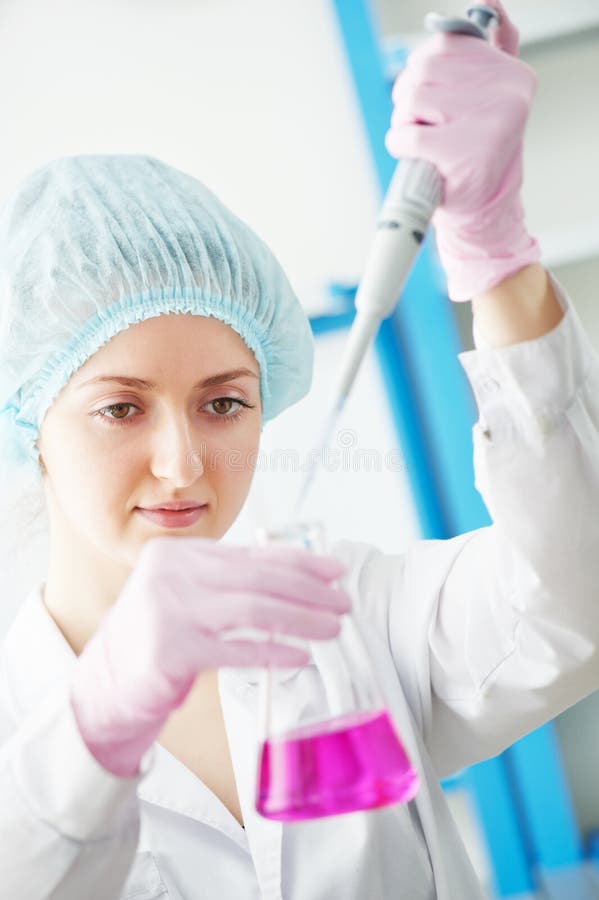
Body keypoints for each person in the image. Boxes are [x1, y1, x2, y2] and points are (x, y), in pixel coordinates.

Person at [1, 2, 598, 897]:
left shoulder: (347, 621)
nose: (183, 463)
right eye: (120, 410)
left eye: (224, 402)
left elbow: (570, 601)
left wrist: (493, 253)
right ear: (28, 418)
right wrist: (98, 719)